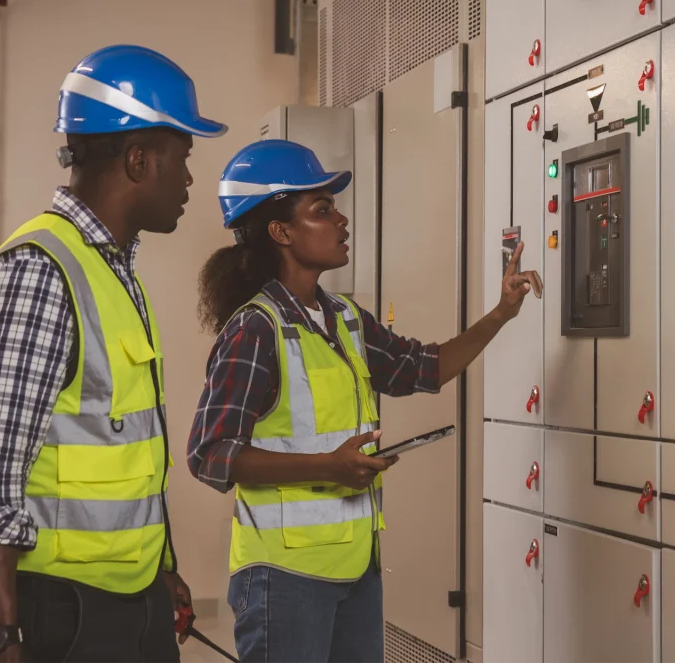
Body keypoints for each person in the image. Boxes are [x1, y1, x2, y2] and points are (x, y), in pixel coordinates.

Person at [187, 139, 542, 663]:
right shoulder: (255, 330)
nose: (343, 221)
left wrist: (501, 313)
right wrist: (329, 466)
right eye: (323, 210)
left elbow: (424, 368)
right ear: (280, 232)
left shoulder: (346, 318)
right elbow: (210, 454)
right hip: (283, 580)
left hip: (357, 569)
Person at [0, 44, 226, 663]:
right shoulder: (38, 273)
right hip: (57, 611)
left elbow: (119, 452)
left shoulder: (111, 272)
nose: (187, 179)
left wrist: (159, 573)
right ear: (137, 159)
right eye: (181, 158)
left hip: (123, 597)